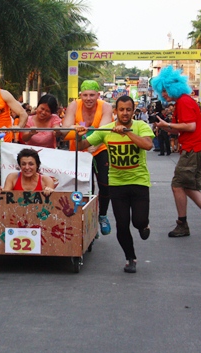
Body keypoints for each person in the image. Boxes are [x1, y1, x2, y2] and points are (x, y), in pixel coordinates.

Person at [74, 95, 154, 273]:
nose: (125, 113)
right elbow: (82, 145)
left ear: (134, 111)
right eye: (121, 109)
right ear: (115, 111)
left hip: (139, 182)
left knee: (139, 221)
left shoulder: (141, 127)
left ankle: (144, 225)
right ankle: (130, 258)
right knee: (122, 224)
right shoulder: (106, 130)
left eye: (128, 109)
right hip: (117, 184)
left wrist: (127, 132)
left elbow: (148, 145)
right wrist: (79, 136)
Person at [151, 66, 201, 238]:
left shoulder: (184, 102)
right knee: (189, 186)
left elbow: (190, 126)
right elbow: (183, 129)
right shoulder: (184, 102)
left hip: (193, 148)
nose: (164, 94)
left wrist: (167, 125)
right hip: (200, 148)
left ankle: (183, 224)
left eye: (165, 90)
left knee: (177, 185)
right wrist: (165, 126)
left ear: (172, 87)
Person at [61, 80, 113, 236]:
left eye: (92, 95)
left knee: (105, 184)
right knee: (84, 187)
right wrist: (74, 128)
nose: (89, 98)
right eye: (85, 95)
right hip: (78, 149)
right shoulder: (74, 106)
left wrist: (95, 145)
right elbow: (65, 129)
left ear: (98, 95)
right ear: (80, 96)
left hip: (99, 148)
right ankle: (86, 219)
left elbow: (104, 130)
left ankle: (102, 215)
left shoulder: (106, 106)